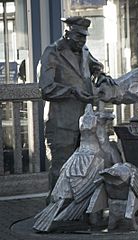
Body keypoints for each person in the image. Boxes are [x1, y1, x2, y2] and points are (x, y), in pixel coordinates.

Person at [38, 16, 104, 194]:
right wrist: (72, 91)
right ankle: (55, 208)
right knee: (60, 167)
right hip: (61, 123)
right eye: (78, 37)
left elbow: (96, 66)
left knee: (83, 167)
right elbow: (46, 88)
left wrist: (99, 74)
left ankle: (77, 208)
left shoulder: (84, 50)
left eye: (84, 37)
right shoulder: (52, 52)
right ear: (67, 34)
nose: (82, 41)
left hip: (84, 122)